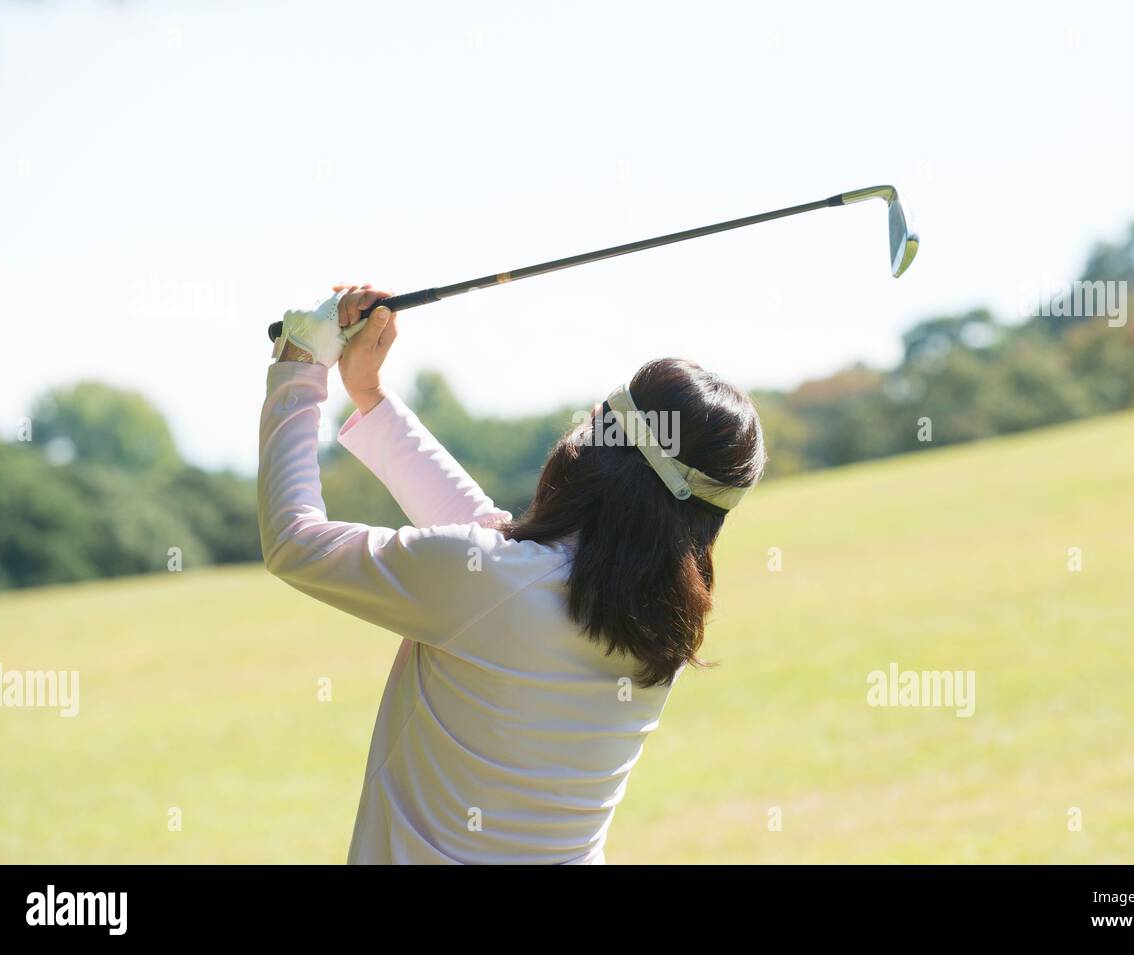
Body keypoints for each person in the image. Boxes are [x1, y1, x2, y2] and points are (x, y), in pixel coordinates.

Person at [259, 284, 765, 864]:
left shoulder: (491, 583)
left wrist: (299, 367)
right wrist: (368, 394)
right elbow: (496, 556)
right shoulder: (661, 628)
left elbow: (293, 543)